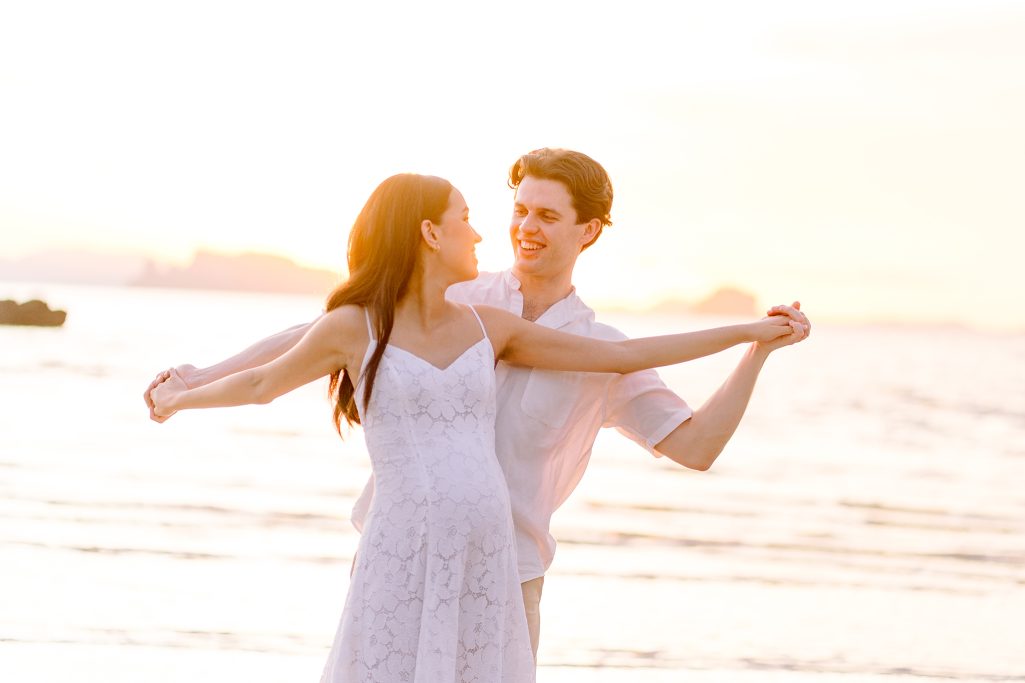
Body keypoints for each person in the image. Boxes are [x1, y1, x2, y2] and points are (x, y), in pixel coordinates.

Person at [145, 149, 811, 664]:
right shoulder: (454, 294)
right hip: (403, 550)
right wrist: (205, 375)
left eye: (546, 215)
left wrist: (755, 348)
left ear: (591, 230)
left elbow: (694, 446)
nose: (523, 227)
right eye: (518, 209)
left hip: (509, 574)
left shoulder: (599, 351)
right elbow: (318, 335)